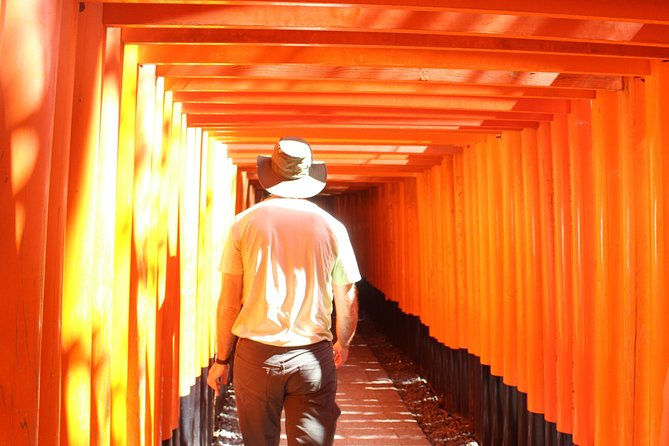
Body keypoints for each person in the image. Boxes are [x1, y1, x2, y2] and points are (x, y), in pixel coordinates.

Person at [206, 136, 361, 446]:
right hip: (311, 357)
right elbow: (346, 298)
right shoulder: (332, 227)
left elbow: (228, 302)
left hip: (256, 356)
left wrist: (223, 359)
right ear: (308, 178)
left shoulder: (243, 224)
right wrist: (343, 342)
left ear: (270, 175)